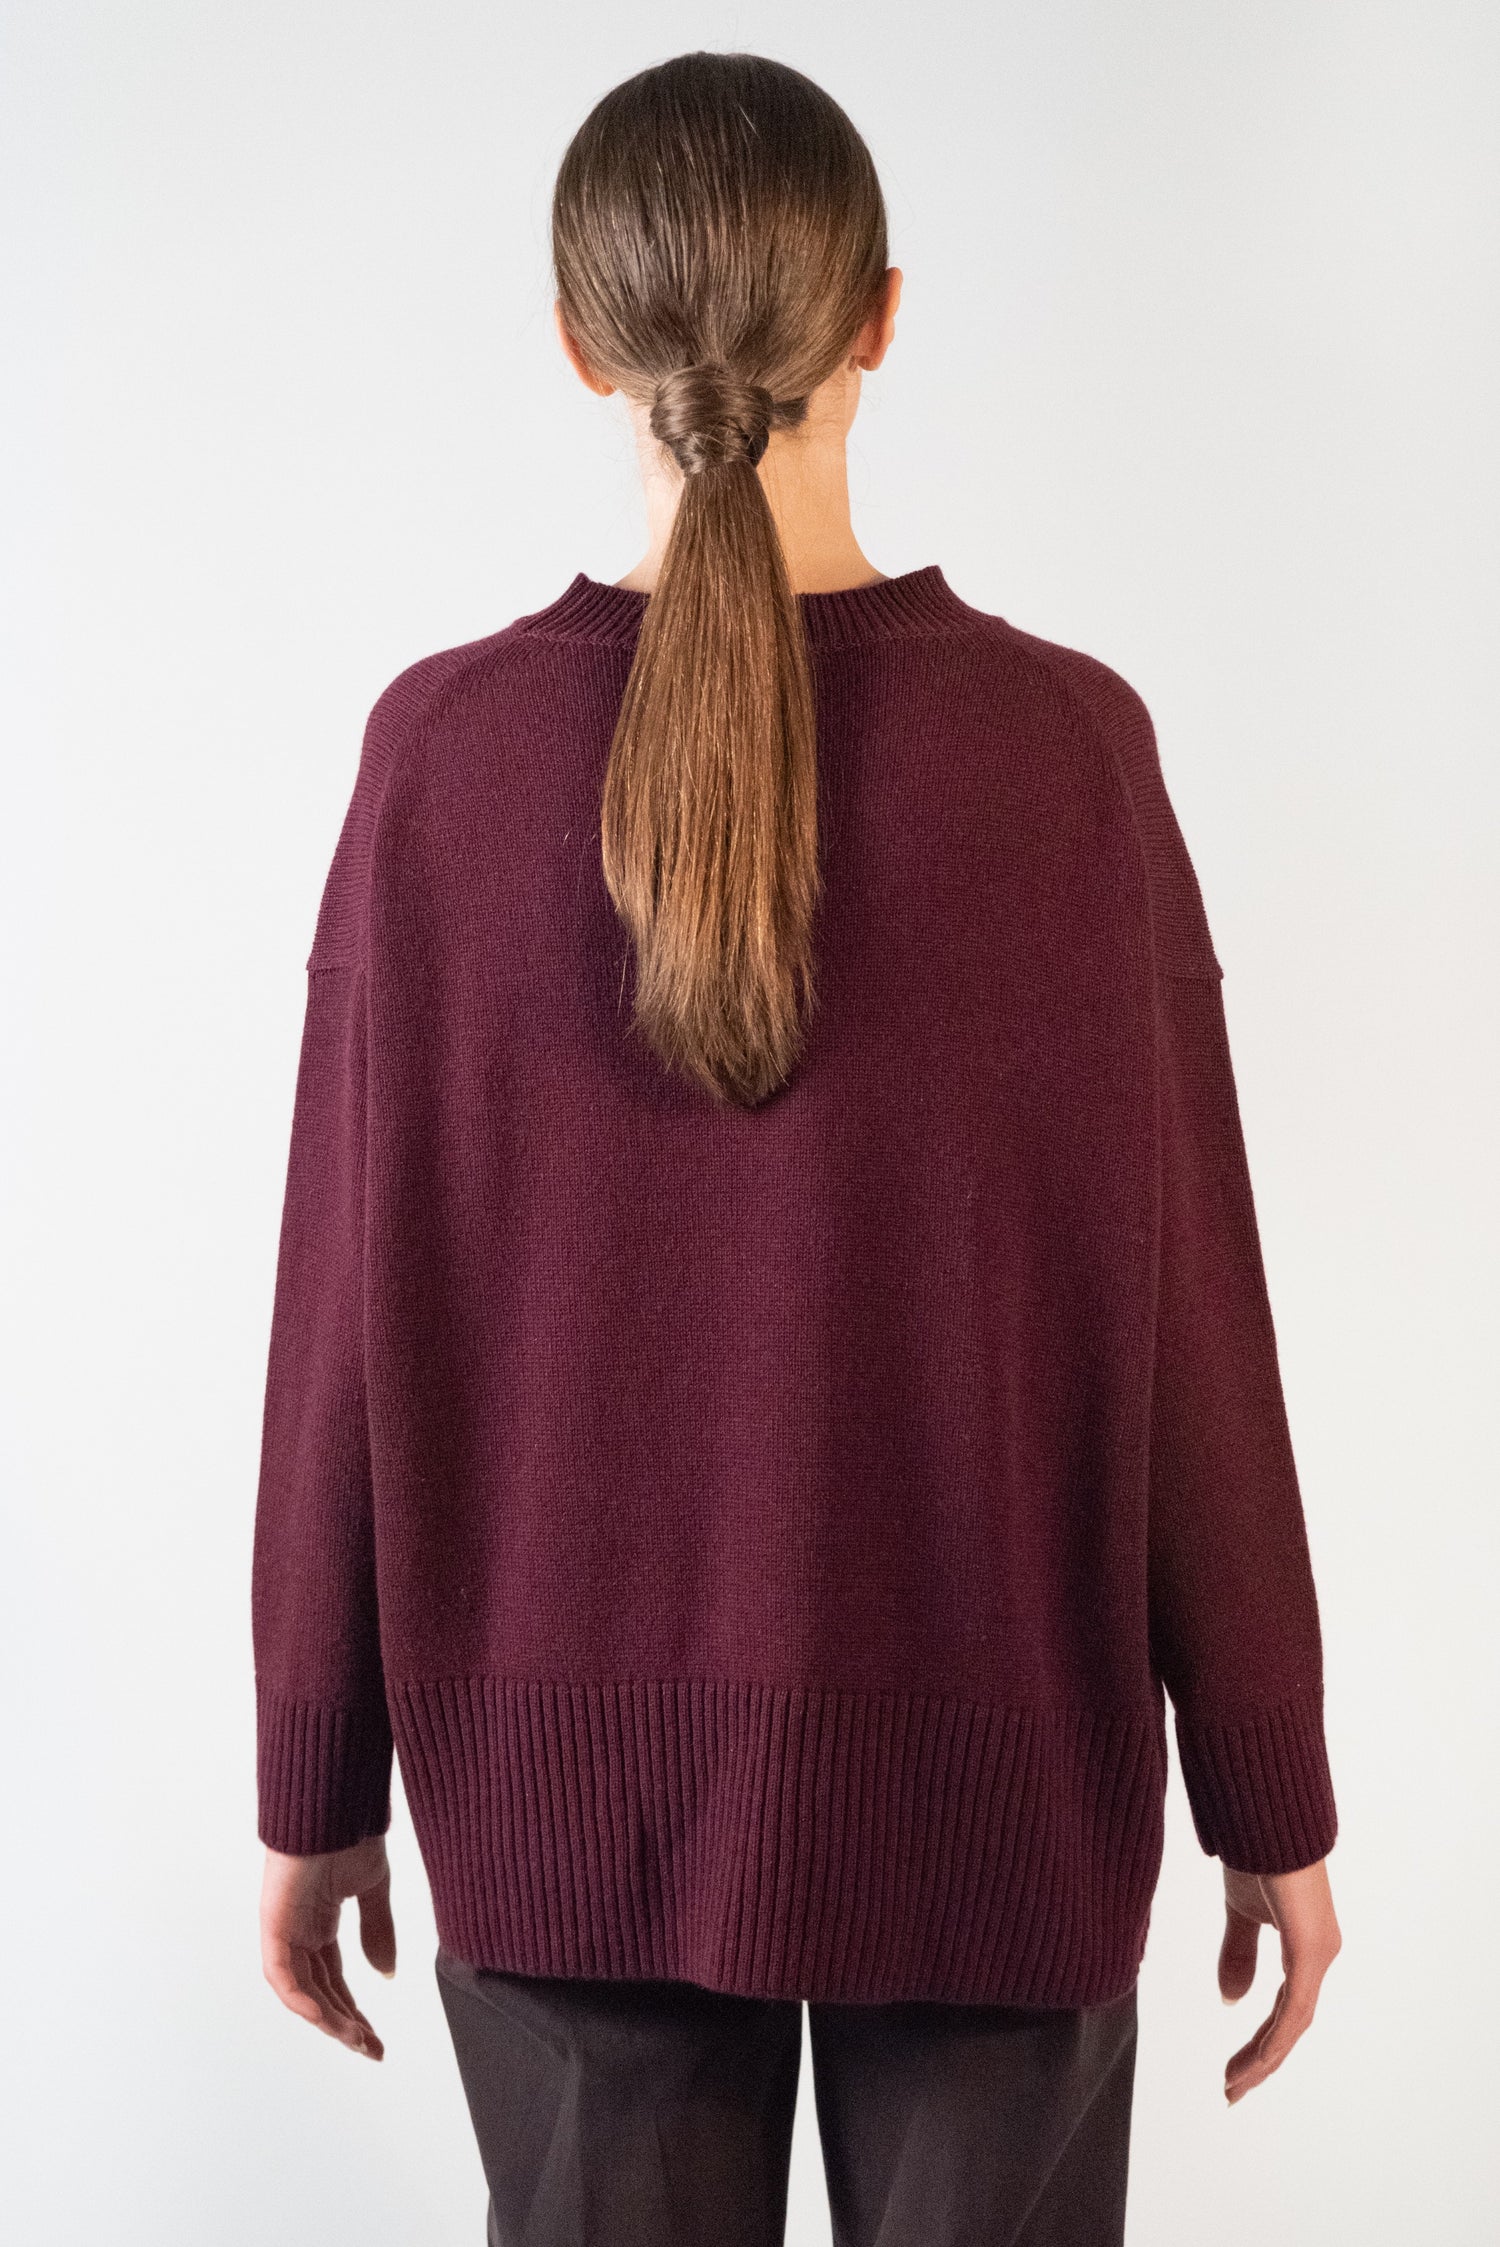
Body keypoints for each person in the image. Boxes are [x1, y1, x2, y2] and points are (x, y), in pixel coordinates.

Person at [252, 48, 1341, 2247]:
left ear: (583, 346)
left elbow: (343, 1319)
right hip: (1001, 1795)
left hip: (558, 1802)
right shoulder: (1069, 753)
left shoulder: (441, 758)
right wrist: (1270, 1789)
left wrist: (313, 1772)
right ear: (882, 319)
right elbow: (1193, 1325)